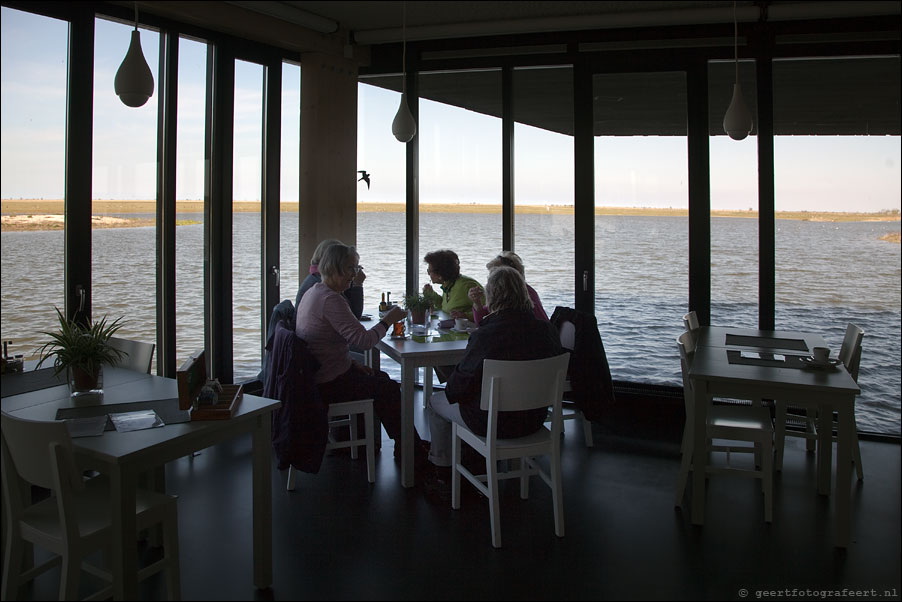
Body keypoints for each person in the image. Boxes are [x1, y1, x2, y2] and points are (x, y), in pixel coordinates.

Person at [424, 266, 563, 501]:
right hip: (534, 420)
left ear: (493, 296)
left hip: (490, 424)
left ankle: (443, 475)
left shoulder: (487, 334)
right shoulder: (547, 331)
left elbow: (456, 388)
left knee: (435, 403)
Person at [295, 243, 428, 466]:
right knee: (388, 388)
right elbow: (364, 342)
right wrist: (389, 319)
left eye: (356, 268)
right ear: (335, 269)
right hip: (327, 384)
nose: (355, 275)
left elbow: (330, 346)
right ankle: (411, 452)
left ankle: (407, 446)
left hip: (316, 377)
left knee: (384, 380)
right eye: (351, 269)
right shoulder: (331, 300)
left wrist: (352, 365)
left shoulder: (314, 291)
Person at [468, 251, 549, 326]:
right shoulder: (509, 292)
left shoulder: (524, 293)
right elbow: (483, 321)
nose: (491, 279)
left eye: (495, 274)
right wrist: (477, 303)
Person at [296, 238, 365, 319]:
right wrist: (357, 285)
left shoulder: (314, 278)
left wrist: (350, 279)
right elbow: (354, 315)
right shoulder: (323, 284)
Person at [422, 249, 481, 321]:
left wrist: (466, 316)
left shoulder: (467, 286)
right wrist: (431, 294)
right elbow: (446, 307)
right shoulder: (449, 284)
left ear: (440, 273)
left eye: (429, 271)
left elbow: (489, 311)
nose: (428, 274)